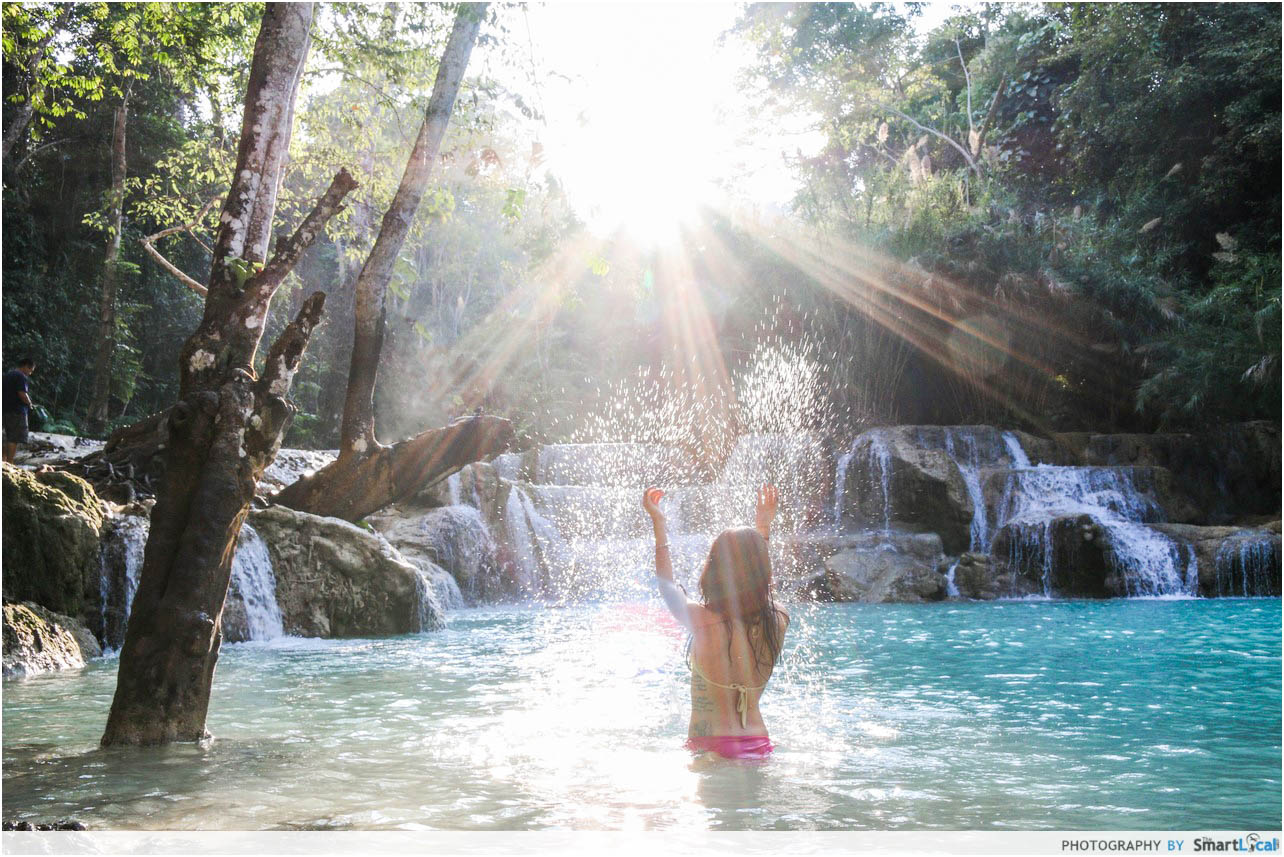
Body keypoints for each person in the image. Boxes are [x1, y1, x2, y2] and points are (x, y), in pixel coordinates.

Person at [643, 483, 790, 761]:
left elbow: (666, 585)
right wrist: (763, 529)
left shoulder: (701, 619)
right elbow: (760, 587)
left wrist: (658, 524)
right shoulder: (779, 618)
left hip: (711, 746)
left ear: (714, 569)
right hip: (759, 744)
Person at [2, 357, 35, 464]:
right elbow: (22, 393)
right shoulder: (21, 376)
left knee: (6, 436)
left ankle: (3, 461)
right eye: (30, 370)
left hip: (5, 409)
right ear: (26, 366)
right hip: (16, 411)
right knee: (14, 438)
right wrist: (29, 403)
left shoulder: (7, 375)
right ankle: (10, 463)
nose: (30, 373)